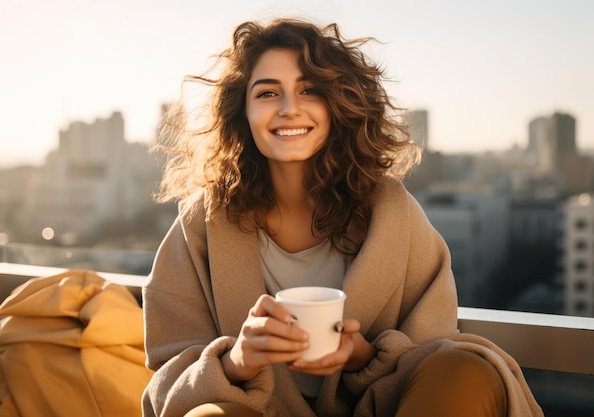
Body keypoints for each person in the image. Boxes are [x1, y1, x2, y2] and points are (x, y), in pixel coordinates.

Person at [142, 18, 543, 417]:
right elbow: (168, 378)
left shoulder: (392, 212)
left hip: (380, 409)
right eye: (267, 93)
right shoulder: (202, 223)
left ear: (338, 104)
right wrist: (236, 362)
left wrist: (362, 357)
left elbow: (434, 350)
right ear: (242, 111)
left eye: (309, 90)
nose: (288, 108)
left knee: (466, 368)